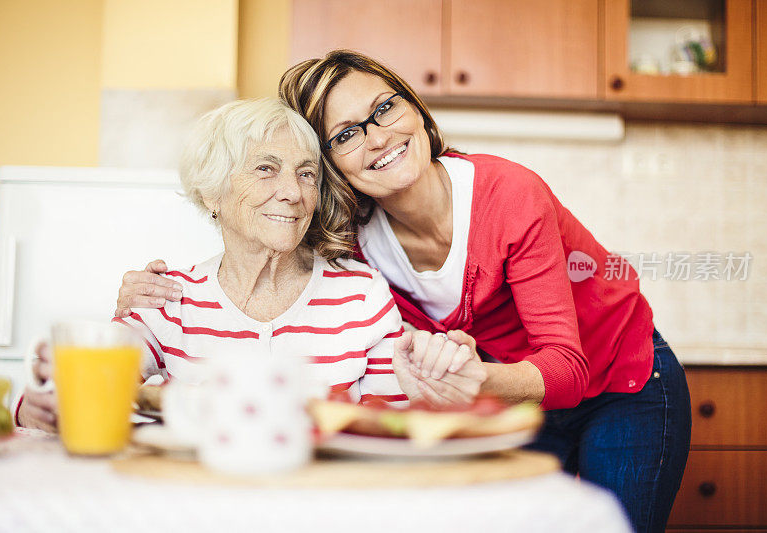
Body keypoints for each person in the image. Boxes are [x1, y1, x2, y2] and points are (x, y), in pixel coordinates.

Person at [115, 51, 691, 532]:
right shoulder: (357, 246)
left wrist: (470, 382)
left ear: (413, 104)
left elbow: (567, 369)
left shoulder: (509, 195)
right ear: (332, 166)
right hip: (515, 393)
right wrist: (136, 312)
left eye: (384, 107)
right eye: (345, 133)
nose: (378, 135)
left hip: (620, 378)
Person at [15, 97, 487, 431]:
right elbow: (88, 383)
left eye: (306, 174)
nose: (293, 192)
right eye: (265, 168)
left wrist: (436, 382)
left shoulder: (360, 294)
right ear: (211, 192)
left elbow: (389, 423)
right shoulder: (168, 297)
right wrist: (36, 402)